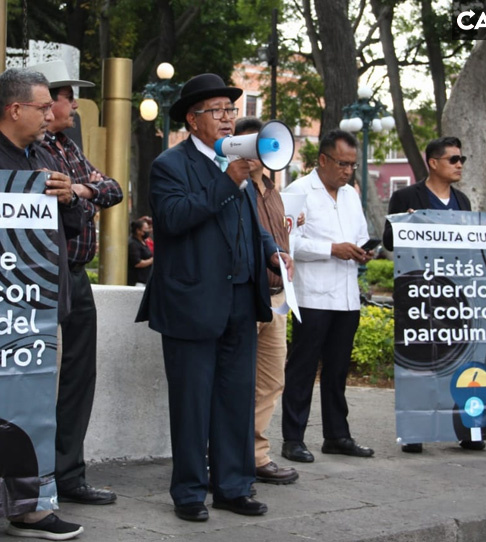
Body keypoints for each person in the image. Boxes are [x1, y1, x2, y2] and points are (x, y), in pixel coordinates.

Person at [135, 73, 293, 523]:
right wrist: (228, 180)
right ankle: (188, 492)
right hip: (191, 303)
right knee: (192, 402)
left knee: (235, 398)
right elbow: (175, 217)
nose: (228, 119)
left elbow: (250, 222)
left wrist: (271, 251)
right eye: (218, 111)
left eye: (231, 110)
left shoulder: (238, 165)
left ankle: (233, 486)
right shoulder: (170, 164)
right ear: (192, 118)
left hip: (241, 300)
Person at [0, 67, 86, 542]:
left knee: (33, 413)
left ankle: (30, 508)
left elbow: (70, 228)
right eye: (44, 106)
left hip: (43, 312)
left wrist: (69, 200)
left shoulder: (44, 155)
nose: (53, 114)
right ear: (15, 109)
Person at [30, 60, 122, 506]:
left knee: (80, 374)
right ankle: (39, 475)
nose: (73, 104)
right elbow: (65, 194)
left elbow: (112, 188)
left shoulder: (68, 145)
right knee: (37, 375)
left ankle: (70, 473)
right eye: (67, 96)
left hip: (78, 274)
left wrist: (83, 190)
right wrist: (89, 190)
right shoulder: (37, 148)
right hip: (46, 274)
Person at [383, 136, 484, 454]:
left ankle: (467, 428)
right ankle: (416, 429)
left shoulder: (463, 201)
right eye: (453, 159)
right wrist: (407, 224)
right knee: (420, 362)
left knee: (462, 360)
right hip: (418, 295)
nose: (459, 165)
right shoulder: (404, 197)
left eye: (462, 159)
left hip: (455, 298)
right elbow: (388, 240)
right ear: (433, 162)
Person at [280, 129, 375, 464]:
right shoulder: (298, 191)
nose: (347, 171)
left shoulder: (350, 195)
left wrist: (364, 252)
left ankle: (337, 435)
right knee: (303, 368)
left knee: (337, 370)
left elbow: (360, 236)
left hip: (347, 296)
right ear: (322, 159)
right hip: (312, 296)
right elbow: (289, 242)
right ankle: (293, 438)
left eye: (352, 164)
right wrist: (331, 249)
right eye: (342, 163)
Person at [234, 117, 298, 485]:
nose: (259, 152)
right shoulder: (234, 187)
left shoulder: (273, 191)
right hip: (247, 297)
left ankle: (256, 455)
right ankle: (226, 453)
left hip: (278, 298)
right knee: (237, 380)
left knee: (271, 382)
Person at [127, 217, 153, 285]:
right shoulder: (133, 244)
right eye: (146, 229)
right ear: (138, 231)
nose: (148, 231)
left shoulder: (143, 241)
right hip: (138, 281)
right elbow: (137, 263)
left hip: (145, 279)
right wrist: (151, 260)